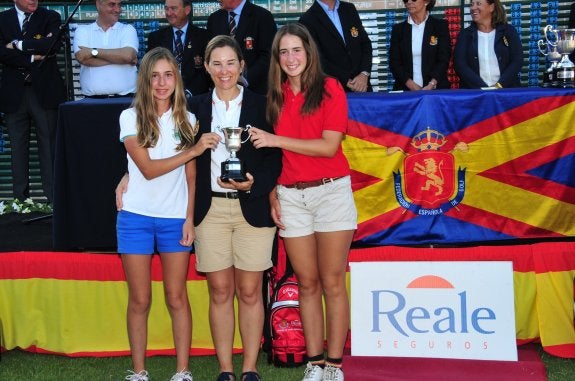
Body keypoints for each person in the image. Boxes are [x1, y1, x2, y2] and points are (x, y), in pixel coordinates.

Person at [249, 23, 357, 381]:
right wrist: (271, 194)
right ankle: (315, 362)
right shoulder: (275, 96)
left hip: (331, 192)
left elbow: (328, 147)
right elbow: (268, 157)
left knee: (332, 282)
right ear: (276, 59)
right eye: (283, 52)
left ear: (309, 53)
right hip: (290, 197)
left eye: (296, 50)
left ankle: (336, 365)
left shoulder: (329, 88)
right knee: (307, 283)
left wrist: (277, 140)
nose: (290, 58)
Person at [117, 47, 215, 381]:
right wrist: (194, 149)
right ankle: (139, 372)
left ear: (177, 78)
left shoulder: (187, 119)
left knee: (177, 296)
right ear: (144, 80)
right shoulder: (129, 118)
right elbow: (146, 169)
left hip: (175, 219)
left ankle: (183, 371)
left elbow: (191, 175)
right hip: (135, 218)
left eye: (168, 75)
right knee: (140, 299)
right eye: (155, 76)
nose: (162, 83)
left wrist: (189, 218)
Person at [0, 0, 66, 202]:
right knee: (17, 148)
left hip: (44, 93)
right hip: (14, 94)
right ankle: (20, 202)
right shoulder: (2, 19)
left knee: (49, 147)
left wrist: (18, 45)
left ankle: (53, 202)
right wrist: (32, 57)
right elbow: (1, 53)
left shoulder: (50, 16)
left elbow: (50, 46)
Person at [299, 0, 372, 92]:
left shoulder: (349, 9)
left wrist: (364, 73)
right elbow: (316, 59)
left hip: (363, 87)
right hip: (332, 92)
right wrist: (346, 80)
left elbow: (365, 44)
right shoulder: (307, 20)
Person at [206, 0, 277, 95]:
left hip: (255, 92)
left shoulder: (262, 16)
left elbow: (269, 55)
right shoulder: (214, 19)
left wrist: (243, 79)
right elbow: (210, 55)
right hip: (222, 92)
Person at [73, 0, 138, 97]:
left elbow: (127, 56)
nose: (117, 9)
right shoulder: (83, 31)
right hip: (92, 102)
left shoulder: (128, 29)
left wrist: (93, 52)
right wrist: (121, 59)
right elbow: (82, 58)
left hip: (126, 99)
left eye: (119, 5)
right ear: (98, 4)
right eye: (112, 4)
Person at [147, 0, 211, 97]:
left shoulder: (204, 37)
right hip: (164, 97)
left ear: (187, 10)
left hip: (195, 99)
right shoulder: (155, 38)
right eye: (166, 8)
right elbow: (149, 70)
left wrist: (188, 93)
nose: (168, 13)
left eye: (173, 8)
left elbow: (207, 71)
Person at [453, 0, 523, 89]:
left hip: (506, 92)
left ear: (491, 7)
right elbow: (460, 65)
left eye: (478, 4)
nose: (473, 8)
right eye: (471, 4)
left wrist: (499, 85)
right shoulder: (464, 35)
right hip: (475, 94)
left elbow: (517, 61)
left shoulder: (508, 31)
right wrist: (484, 89)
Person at [388, 0, 451, 91]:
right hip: (406, 90)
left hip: (436, 90)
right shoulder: (398, 30)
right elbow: (394, 62)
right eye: (406, 0)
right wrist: (412, 85)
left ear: (426, 2)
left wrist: (432, 83)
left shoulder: (440, 26)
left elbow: (444, 59)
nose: (409, 2)